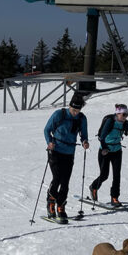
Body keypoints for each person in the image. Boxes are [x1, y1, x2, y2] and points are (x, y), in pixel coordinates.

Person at [89, 104, 128, 207]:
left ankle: (114, 197)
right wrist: (104, 148)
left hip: (117, 150)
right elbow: (102, 137)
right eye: (124, 114)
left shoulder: (125, 123)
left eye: (127, 115)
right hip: (105, 151)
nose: (125, 117)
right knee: (104, 175)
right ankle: (94, 187)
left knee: (117, 175)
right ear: (118, 113)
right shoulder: (110, 121)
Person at [43, 92, 90, 223]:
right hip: (56, 150)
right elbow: (47, 130)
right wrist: (49, 142)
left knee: (65, 182)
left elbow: (84, 134)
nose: (75, 112)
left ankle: (61, 207)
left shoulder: (81, 118)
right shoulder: (60, 114)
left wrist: (85, 142)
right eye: (73, 110)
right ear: (70, 106)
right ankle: (51, 202)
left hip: (69, 153)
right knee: (57, 178)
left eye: (78, 110)